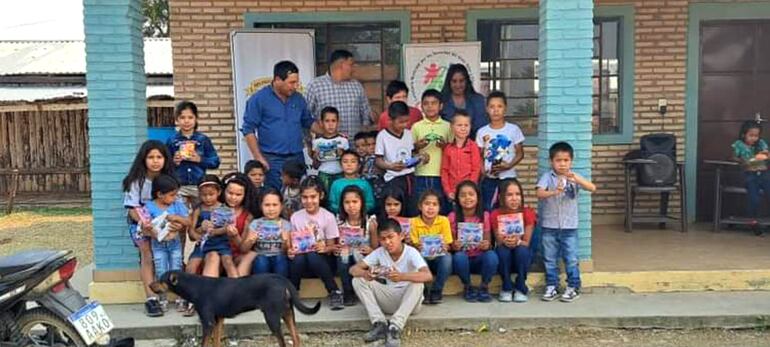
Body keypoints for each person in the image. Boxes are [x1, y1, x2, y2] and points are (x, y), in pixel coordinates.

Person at [350, 218, 432, 347]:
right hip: (388, 298)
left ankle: (395, 328)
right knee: (358, 280)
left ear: (401, 236)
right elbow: (353, 269)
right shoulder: (379, 253)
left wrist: (402, 276)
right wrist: (366, 274)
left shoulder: (411, 252)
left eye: (390, 237)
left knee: (418, 283)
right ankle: (379, 324)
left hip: (409, 302)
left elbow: (427, 275)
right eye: (383, 239)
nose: (387, 242)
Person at [122, 140, 177, 317]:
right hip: (141, 224)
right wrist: (144, 224)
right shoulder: (136, 181)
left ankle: (176, 294)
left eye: (159, 157)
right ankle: (151, 299)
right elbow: (132, 209)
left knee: (173, 254)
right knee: (147, 255)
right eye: (151, 157)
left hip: (167, 224)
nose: (155, 161)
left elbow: (177, 203)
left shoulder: (170, 179)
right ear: (143, 159)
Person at [536, 142, 596, 302]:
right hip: (550, 226)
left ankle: (573, 286)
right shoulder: (547, 177)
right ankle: (552, 286)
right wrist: (554, 192)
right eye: (558, 160)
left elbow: (592, 188)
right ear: (551, 161)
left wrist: (576, 179)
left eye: (566, 160)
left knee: (571, 258)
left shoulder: (574, 177)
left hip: (569, 227)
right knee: (549, 258)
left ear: (571, 161)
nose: (562, 164)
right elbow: (539, 193)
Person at [241, 60, 314, 191]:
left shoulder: (298, 99)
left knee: (302, 193)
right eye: (291, 82)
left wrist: (327, 131)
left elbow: (307, 122)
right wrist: (259, 157)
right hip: (272, 158)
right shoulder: (259, 99)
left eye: (296, 82)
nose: (295, 86)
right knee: (274, 196)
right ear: (278, 80)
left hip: (297, 156)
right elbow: (248, 129)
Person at [288, 177, 345, 310]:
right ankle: (293, 292)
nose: (309, 201)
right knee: (301, 257)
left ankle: (334, 291)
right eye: (304, 197)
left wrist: (325, 248)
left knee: (313, 255)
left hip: (323, 262)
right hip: (302, 264)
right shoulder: (296, 217)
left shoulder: (328, 216)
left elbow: (333, 247)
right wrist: (291, 251)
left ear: (321, 196)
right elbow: (293, 243)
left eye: (313, 197)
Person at [140, 174, 190, 314]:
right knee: (161, 271)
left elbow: (188, 221)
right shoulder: (149, 207)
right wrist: (149, 227)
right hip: (158, 245)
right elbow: (143, 226)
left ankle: (181, 298)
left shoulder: (177, 206)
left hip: (175, 244)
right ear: (160, 194)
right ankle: (162, 299)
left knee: (177, 269)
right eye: (172, 195)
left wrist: (176, 219)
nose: (175, 198)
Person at [375, 102, 428, 217]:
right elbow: (378, 160)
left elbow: (411, 153)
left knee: (411, 210)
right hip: (393, 179)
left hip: (410, 177)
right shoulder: (382, 136)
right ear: (390, 119)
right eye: (400, 122)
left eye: (406, 121)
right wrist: (390, 166)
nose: (404, 125)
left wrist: (420, 157)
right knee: (395, 211)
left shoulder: (409, 134)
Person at [476, 91, 525, 211]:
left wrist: (508, 166)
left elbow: (520, 153)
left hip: (508, 177)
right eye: (492, 107)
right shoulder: (482, 131)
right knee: (489, 209)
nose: (495, 110)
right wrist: (484, 172)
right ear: (487, 109)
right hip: (489, 179)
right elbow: (479, 156)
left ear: (505, 109)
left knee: (510, 209)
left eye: (499, 106)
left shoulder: (513, 129)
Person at [306, 49, 373, 138]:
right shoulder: (315, 86)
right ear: (342, 64)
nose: (354, 69)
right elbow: (305, 117)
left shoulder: (357, 86)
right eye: (351, 65)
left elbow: (366, 114)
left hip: (353, 147)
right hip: (327, 147)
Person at [449, 181, 497, 303]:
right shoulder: (452, 217)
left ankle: (484, 286)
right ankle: (468, 286)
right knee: (459, 256)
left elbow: (488, 243)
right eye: (463, 195)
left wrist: (486, 245)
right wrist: (454, 245)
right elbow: (451, 244)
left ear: (477, 197)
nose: (467, 198)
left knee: (491, 256)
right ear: (457, 198)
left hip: (479, 260)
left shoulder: (485, 215)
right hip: (462, 262)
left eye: (471, 194)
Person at [203, 173, 259, 278]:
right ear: (223, 191)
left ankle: (237, 287)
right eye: (230, 193)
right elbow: (200, 233)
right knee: (213, 256)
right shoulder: (215, 208)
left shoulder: (248, 215)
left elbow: (243, 248)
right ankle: (209, 288)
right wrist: (205, 227)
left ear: (245, 195)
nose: (233, 197)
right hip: (216, 250)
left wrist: (235, 236)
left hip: (236, 254)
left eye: (238, 195)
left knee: (251, 254)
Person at [166, 100, 220, 207]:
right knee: (182, 216)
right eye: (182, 118)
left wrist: (200, 159)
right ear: (177, 120)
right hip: (179, 186)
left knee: (199, 216)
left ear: (196, 119)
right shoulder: (171, 140)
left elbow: (215, 162)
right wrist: (173, 162)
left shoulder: (203, 139)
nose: (186, 121)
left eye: (190, 117)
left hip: (199, 186)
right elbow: (164, 165)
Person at [182, 174, 222, 316]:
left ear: (219, 192)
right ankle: (190, 300)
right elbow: (191, 234)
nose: (208, 198)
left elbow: (228, 230)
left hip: (218, 245)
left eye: (211, 194)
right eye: (204, 195)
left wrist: (215, 229)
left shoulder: (224, 209)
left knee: (210, 267)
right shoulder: (198, 210)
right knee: (191, 267)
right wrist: (200, 230)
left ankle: (207, 300)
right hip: (202, 245)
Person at [492, 179, 535, 303]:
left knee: (522, 250)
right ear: (501, 197)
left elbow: (526, 242)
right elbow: (498, 240)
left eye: (517, 194)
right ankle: (506, 286)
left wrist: (517, 241)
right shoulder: (496, 214)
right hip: (505, 253)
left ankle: (521, 286)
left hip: (522, 254)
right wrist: (505, 240)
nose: (514, 198)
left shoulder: (527, 213)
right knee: (502, 251)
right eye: (509, 195)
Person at [335, 185, 378, 306]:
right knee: (344, 257)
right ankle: (348, 292)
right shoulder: (339, 221)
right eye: (347, 202)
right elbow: (335, 244)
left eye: (355, 201)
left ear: (362, 203)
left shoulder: (370, 223)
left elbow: (376, 248)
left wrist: (370, 250)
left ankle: (362, 290)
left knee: (356, 254)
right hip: (345, 255)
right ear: (342, 204)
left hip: (363, 257)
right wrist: (338, 247)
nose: (351, 205)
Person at [412, 89, 452, 214]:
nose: (430, 106)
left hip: (442, 175)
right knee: (421, 207)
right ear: (421, 106)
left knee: (441, 208)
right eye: (426, 103)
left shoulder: (448, 126)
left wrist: (444, 146)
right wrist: (417, 146)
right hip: (421, 174)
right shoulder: (416, 126)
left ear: (441, 106)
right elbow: (410, 152)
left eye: (434, 103)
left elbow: (454, 150)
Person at [409, 190, 452, 305]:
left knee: (447, 258)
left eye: (435, 204)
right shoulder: (412, 222)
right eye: (427, 204)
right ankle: (423, 289)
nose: (430, 208)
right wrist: (416, 246)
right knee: (415, 257)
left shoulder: (444, 220)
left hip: (438, 258)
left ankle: (437, 290)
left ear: (439, 208)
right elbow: (412, 246)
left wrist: (445, 247)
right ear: (420, 206)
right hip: (421, 258)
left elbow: (447, 244)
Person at [240, 188, 291, 278]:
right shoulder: (256, 223)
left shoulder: (285, 224)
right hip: (261, 257)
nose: (271, 209)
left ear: (281, 206)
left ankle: (281, 288)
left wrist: (285, 241)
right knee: (261, 260)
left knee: (280, 259)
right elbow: (244, 249)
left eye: (275, 205)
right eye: (267, 205)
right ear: (261, 206)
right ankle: (261, 289)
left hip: (279, 257)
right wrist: (251, 241)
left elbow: (287, 251)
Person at [732, 120, 770, 234]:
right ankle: (753, 221)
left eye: (756, 136)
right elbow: (733, 157)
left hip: (764, 174)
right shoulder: (739, 144)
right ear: (744, 134)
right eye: (751, 135)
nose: (754, 138)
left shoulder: (761, 143)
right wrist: (742, 161)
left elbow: (765, 155)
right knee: (754, 197)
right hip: (749, 175)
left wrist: (754, 161)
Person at [441, 110, 482, 203]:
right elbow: (444, 171)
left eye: (466, 125)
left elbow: (476, 169)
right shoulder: (448, 148)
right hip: (452, 192)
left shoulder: (473, 146)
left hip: (468, 193)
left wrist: (469, 188)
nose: (463, 128)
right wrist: (448, 191)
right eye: (459, 125)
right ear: (452, 127)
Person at [440, 64, 487, 136]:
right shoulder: (441, 100)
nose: (458, 85)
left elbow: (481, 127)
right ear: (449, 82)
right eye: (454, 81)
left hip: (473, 143)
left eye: (461, 81)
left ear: (467, 81)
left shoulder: (478, 100)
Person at [311, 106, 349, 192]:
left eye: (333, 121)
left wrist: (342, 155)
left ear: (338, 122)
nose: (330, 124)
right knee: (324, 198)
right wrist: (316, 156)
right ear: (321, 123)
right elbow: (315, 166)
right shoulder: (317, 142)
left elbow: (348, 163)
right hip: (323, 174)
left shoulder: (343, 141)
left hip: (340, 174)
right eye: (327, 121)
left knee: (339, 197)